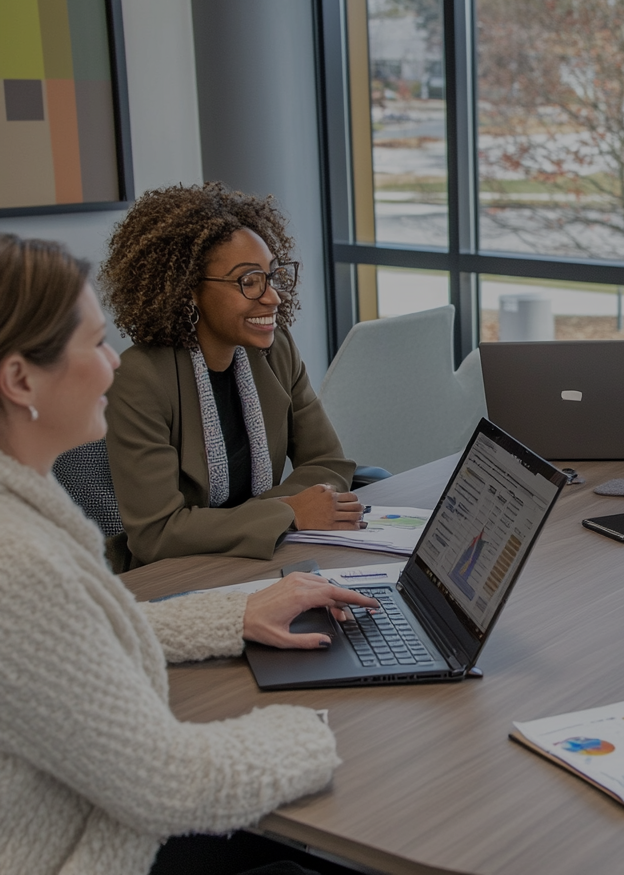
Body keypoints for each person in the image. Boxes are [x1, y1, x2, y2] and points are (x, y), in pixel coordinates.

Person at [0, 233, 382, 874]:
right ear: (19, 378)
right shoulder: (21, 565)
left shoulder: (24, 511)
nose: (114, 364)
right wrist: (314, 730)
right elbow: (167, 783)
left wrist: (238, 613)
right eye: (95, 344)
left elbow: (84, 626)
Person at [100, 183, 361, 569]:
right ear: (188, 290)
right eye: (249, 281)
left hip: (263, 556)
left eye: (272, 276)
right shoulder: (139, 379)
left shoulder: (276, 350)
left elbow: (328, 462)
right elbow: (156, 535)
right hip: (177, 577)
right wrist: (288, 511)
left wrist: (277, 515)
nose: (272, 297)